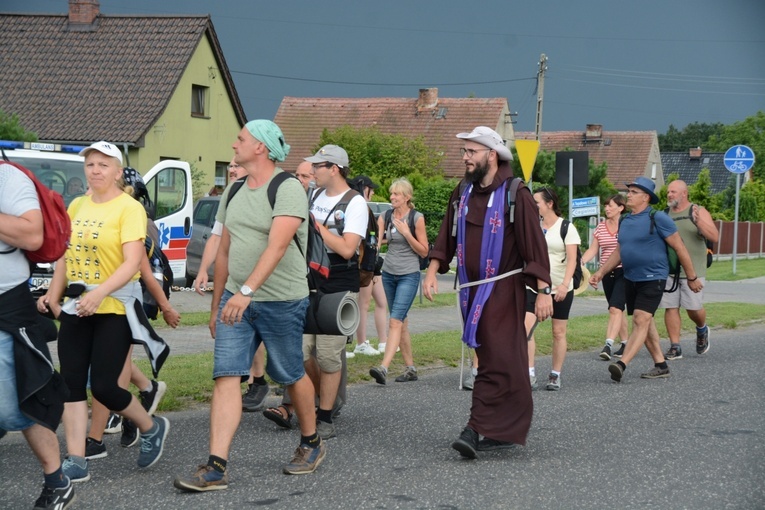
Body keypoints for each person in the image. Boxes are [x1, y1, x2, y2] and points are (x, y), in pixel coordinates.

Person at [174, 120, 323, 492]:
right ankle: (215, 466)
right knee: (226, 375)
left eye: (241, 138)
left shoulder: (287, 188)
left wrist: (247, 291)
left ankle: (311, 442)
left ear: (261, 147)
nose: (234, 143)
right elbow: (225, 248)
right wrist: (217, 303)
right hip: (234, 301)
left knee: (288, 373)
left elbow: (276, 246)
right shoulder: (235, 187)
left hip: (281, 299)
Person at [43, 141, 170, 483]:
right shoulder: (77, 204)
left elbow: (132, 262)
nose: (95, 170)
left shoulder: (130, 209)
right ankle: (76, 459)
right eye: (90, 164)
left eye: (103, 164)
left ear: (117, 172)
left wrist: (99, 293)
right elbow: (63, 258)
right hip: (77, 306)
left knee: (104, 387)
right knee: (70, 385)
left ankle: (150, 426)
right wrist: (53, 297)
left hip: (114, 307)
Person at [423, 126, 553, 458]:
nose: (465, 158)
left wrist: (543, 292)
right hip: (470, 292)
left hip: (504, 290)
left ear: (491, 156)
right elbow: (446, 237)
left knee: (494, 358)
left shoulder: (516, 193)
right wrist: (433, 271)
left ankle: (475, 428)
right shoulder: (461, 193)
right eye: (464, 151)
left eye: (471, 152)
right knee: (504, 360)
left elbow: (534, 246)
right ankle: (503, 429)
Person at [262, 144, 367, 441]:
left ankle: (324, 417)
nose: (313, 172)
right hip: (307, 281)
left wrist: (318, 229)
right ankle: (311, 402)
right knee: (301, 351)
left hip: (337, 285)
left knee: (329, 356)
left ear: (334, 169)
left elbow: (348, 249)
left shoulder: (355, 203)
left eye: (318, 167)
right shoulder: (313, 194)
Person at [0, 161, 74, 509]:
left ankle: (57, 480)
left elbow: (32, 234)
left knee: (17, 405)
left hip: (6, 308)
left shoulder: (8, 178)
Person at [589, 177, 703, 383]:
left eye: (633, 192)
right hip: (631, 277)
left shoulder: (658, 218)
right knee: (645, 322)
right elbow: (620, 251)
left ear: (646, 197)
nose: (628, 195)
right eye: (629, 191)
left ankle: (622, 363)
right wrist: (601, 272)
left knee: (640, 319)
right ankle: (661, 365)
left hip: (654, 277)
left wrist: (692, 277)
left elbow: (680, 247)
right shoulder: (625, 220)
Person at [193, 158, 269, 414]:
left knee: (279, 349)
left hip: (266, 281)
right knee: (240, 325)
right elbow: (216, 238)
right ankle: (252, 381)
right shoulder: (231, 195)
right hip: (235, 280)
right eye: (230, 167)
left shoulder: (266, 194)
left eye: (237, 165)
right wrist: (204, 270)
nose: (232, 170)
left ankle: (270, 383)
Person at [369, 178, 429, 384]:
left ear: (407, 197)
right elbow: (376, 244)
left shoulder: (416, 218)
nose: (392, 197)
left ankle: (383, 368)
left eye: (396, 194)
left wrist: (406, 233)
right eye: (392, 193)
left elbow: (424, 250)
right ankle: (410, 369)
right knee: (400, 321)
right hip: (388, 274)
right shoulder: (385, 216)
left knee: (394, 320)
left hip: (409, 275)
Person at [524, 187, 580, 391]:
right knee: (526, 328)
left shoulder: (566, 227)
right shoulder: (532, 226)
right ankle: (529, 374)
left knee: (558, 332)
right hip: (534, 287)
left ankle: (555, 375)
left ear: (549, 204)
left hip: (561, 288)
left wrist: (565, 285)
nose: (533, 205)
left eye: (536, 202)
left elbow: (573, 259)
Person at [661, 180, 718, 359]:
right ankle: (675, 346)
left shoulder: (698, 211)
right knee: (670, 306)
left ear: (684, 194)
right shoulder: (664, 214)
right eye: (668, 192)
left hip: (694, 269)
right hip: (670, 269)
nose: (669, 195)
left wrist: (698, 221)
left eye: (673, 192)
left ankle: (701, 329)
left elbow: (714, 236)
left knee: (693, 308)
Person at [581, 194, 629, 360]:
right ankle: (625, 343)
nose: (607, 209)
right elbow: (593, 250)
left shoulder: (627, 225)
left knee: (615, 308)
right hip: (606, 273)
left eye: (610, 206)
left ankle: (608, 345)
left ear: (621, 208)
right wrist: (580, 262)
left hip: (625, 271)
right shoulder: (600, 227)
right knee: (618, 309)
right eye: (606, 206)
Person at [352, 174, 388, 357]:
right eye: (370, 189)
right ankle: (360, 342)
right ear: (363, 188)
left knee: (381, 302)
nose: (372, 192)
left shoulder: (365, 208)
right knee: (363, 304)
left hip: (373, 263)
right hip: (364, 264)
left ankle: (383, 342)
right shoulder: (358, 207)